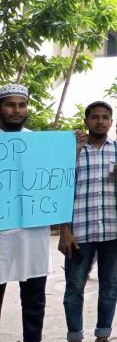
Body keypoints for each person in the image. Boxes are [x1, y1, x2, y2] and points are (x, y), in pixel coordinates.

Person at [60, 101, 117, 342]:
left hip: (115, 230)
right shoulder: (72, 149)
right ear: (86, 121)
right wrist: (64, 229)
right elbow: (60, 189)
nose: (100, 121)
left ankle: (103, 335)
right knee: (74, 287)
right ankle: (75, 336)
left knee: (110, 286)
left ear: (112, 122)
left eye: (105, 117)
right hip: (79, 231)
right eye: (95, 117)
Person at [0, 84, 50, 342]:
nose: (16, 110)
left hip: (33, 234)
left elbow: (56, 182)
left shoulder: (40, 143)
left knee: (34, 300)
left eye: (22, 105)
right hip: (0, 235)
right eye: (10, 104)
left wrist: (69, 152)